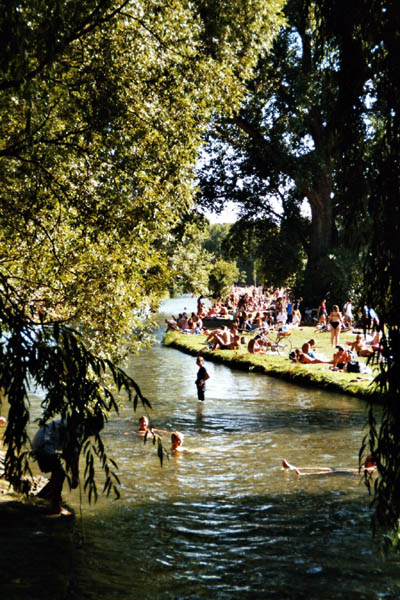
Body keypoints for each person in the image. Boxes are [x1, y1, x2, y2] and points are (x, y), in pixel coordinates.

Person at [32, 413, 104, 515]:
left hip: (41, 440)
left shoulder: (74, 425)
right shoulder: (78, 430)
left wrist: (73, 471)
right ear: (91, 426)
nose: (94, 435)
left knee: (58, 469)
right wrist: (75, 476)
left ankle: (46, 494)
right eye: (95, 431)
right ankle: (55, 507)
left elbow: (68, 453)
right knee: (60, 472)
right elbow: (74, 455)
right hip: (44, 444)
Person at [282, 455, 376, 477]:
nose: (365, 461)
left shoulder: (372, 468)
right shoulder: (367, 466)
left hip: (348, 472)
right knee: (327, 468)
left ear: (373, 463)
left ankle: (304, 474)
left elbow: (367, 471)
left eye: (367, 460)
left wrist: (365, 467)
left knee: (330, 471)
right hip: (348, 470)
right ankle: (293, 467)